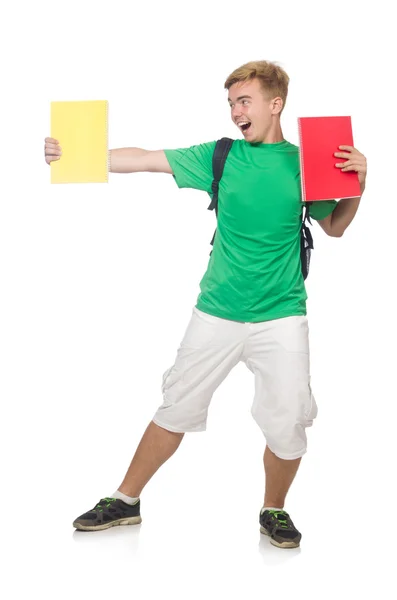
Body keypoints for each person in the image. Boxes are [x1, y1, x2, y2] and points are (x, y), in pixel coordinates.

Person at [44, 60, 367, 549]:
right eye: (231, 103)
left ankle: (274, 511)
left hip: (282, 316)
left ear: (275, 103)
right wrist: (74, 153)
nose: (236, 111)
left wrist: (361, 180)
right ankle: (126, 500)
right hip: (216, 311)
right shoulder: (220, 156)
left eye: (245, 101)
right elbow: (147, 158)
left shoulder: (305, 163)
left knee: (289, 418)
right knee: (177, 404)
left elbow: (337, 226)